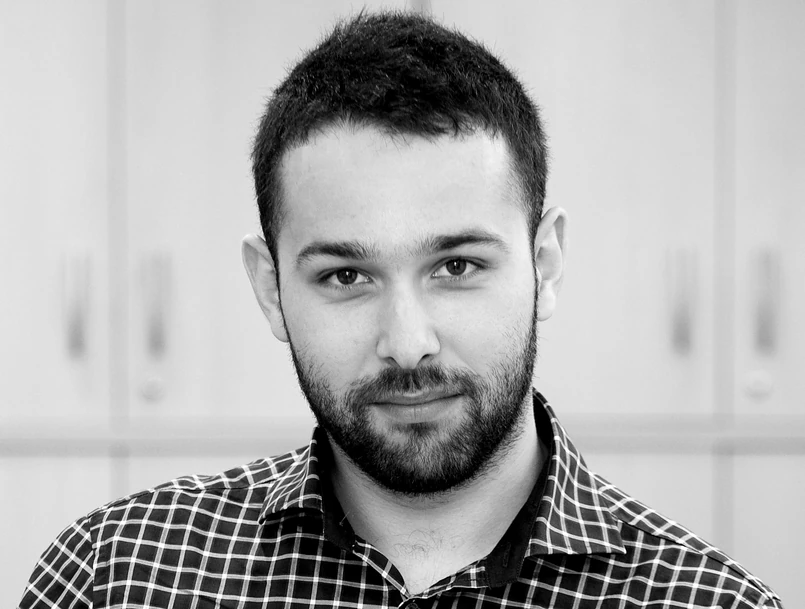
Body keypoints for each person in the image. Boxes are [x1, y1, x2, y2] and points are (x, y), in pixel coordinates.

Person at [20, 11, 783, 609]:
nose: (408, 343)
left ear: (544, 264)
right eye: (346, 275)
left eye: (456, 266)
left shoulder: (710, 600)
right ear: (270, 287)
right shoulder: (114, 574)